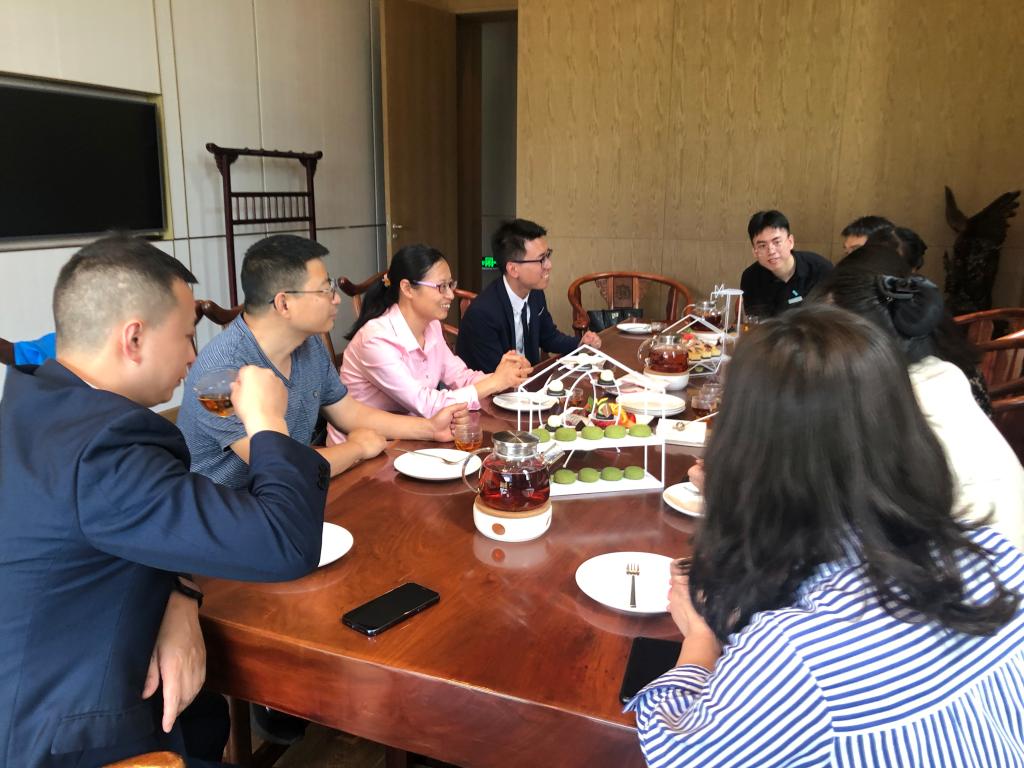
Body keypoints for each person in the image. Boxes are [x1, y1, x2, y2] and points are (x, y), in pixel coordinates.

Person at [628, 304, 1024, 767]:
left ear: (747, 451)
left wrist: (701, 638)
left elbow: (676, 752)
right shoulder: (1000, 558)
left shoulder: (798, 654)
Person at [0, 235, 330, 767]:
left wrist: (179, 593)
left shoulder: (38, 398)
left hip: (60, 685)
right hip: (69, 738)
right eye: (186, 336)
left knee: (206, 716)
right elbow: (285, 543)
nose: (194, 356)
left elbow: (116, 524)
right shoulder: (105, 447)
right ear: (134, 338)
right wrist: (268, 422)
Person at [178, 234, 467, 491]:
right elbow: (282, 468)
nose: (336, 299)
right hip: (227, 512)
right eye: (325, 289)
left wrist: (430, 428)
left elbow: (349, 413)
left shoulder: (308, 343)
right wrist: (356, 448)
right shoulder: (219, 372)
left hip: (289, 499)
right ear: (283, 303)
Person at [818, 245, 1021, 545]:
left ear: (869, 343)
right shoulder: (941, 373)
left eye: (830, 337)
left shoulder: (895, 405)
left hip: (978, 562)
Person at [331, 244, 529, 431]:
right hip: (365, 445)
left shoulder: (431, 325)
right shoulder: (376, 340)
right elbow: (426, 404)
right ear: (407, 288)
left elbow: (460, 377)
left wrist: (506, 376)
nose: (451, 295)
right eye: (441, 286)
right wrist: (494, 383)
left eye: (450, 285)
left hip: (416, 434)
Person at [457, 219, 601, 372]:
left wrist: (580, 343)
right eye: (541, 259)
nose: (549, 265)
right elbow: (497, 375)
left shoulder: (534, 293)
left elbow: (548, 337)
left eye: (548, 255)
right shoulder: (483, 314)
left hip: (527, 379)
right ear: (513, 269)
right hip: (493, 383)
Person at [739, 210, 832, 317]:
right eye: (762, 246)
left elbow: (833, 315)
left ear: (790, 242)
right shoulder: (750, 278)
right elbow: (756, 321)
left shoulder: (820, 269)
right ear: (755, 252)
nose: (771, 251)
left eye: (777, 242)